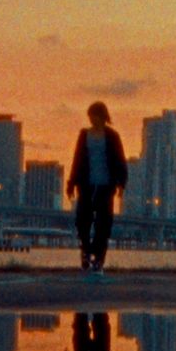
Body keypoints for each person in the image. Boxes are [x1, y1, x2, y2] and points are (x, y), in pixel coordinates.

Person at [66, 100, 128, 274]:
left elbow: (120, 160)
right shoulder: (84, 135)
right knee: (82, 221)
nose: (91, 120)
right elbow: (77, 159)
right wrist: (71, 183)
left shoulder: (112, 136)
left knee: (103, 224)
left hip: (105, 186)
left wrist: (121, 184)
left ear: (102, 116)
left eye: (94, 116)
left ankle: (98, 258)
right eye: (89, 116)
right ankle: (86, 252)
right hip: (86, 184)